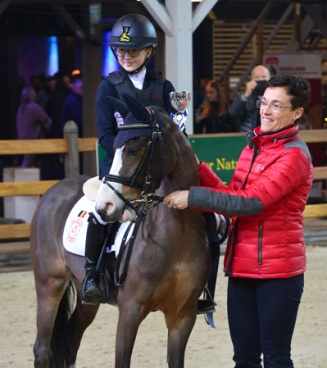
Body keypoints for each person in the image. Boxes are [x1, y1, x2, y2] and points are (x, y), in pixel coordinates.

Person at [164, 75, 313, 367]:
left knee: (276, 359)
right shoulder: (253, 147)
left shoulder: (294, 156)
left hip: (278, 276)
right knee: (243, 359)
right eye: (264, 103)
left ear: (296, 113)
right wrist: (196, 166)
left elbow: (250, 203)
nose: (265, 111)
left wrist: (192, 197)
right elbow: (231, 196)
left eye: (276, 106)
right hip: (243, 271)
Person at [82, 14, 177, 302]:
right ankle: (92, 273)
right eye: (121, 51)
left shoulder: (164, 87)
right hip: (121, 168)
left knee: (197, 214)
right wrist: (131, 155)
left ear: (149, 51)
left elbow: (176, 129)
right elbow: (106, 137)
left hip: (158, 168)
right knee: (102, 212)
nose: (126, 56)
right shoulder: (108, 87)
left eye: (133, 50)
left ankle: (203, 283)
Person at [16, 86, 52, 168]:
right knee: (27, 166)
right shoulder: (34, 107)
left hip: (20, 141)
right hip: (32, 140)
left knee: (25, 165)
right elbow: (48, 121)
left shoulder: (21, 108)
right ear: (32, 95)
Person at [229, 65, 270, 132]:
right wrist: (246, 95)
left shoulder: (275, 99)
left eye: (263, 77)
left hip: (269, 137)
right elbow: (232, 113)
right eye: (257, 77)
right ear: (251, 80)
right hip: (249, 137)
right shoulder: (244, 98)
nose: (260, 80)